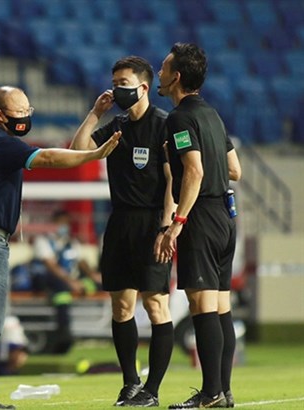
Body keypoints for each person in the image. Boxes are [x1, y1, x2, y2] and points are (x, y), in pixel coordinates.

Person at [0, 85, 121, 410]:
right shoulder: (1, 144)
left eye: (29, 110)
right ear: (0, 115)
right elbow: (48, 157)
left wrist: (94, 117)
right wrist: (94, 155)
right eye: (20, 112)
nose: (26, 117)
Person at [70, 56, 176, 407]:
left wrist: (168, 226)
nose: (117, 89)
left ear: (144, 87)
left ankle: (153, 390)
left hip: (152, 223)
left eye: (124, 84)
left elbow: (173, 181)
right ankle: (130, 382)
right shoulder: (116, 126)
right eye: (114, 83)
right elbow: (78, 152)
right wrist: (94, 113)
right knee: (121, 306)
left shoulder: (164, 125)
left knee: (157, 305)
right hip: (120, 223)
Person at [155, 43, 242, 409]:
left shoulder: (178, 119)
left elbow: (194, 171)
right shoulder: (213, 115)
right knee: (220, 306)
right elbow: (235, 170)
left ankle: (210, 394)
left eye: (162, 68)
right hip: (225, 215)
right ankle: (222, 392)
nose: (159, 73)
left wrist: (176, 223)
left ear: (176, 77)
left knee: (201, 303)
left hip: (201, 218)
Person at [30, 209, 102, 354]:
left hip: (68, 280)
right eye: (61, 223)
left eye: (66, 224)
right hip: (47, 279)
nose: (64, 226)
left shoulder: (71, 242)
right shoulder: (43, 241)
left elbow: (81, 261)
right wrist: (70, 282)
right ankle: (63, 330)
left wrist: (92, 275)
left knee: (95, 285)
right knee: (61, 289)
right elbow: (50, 265)